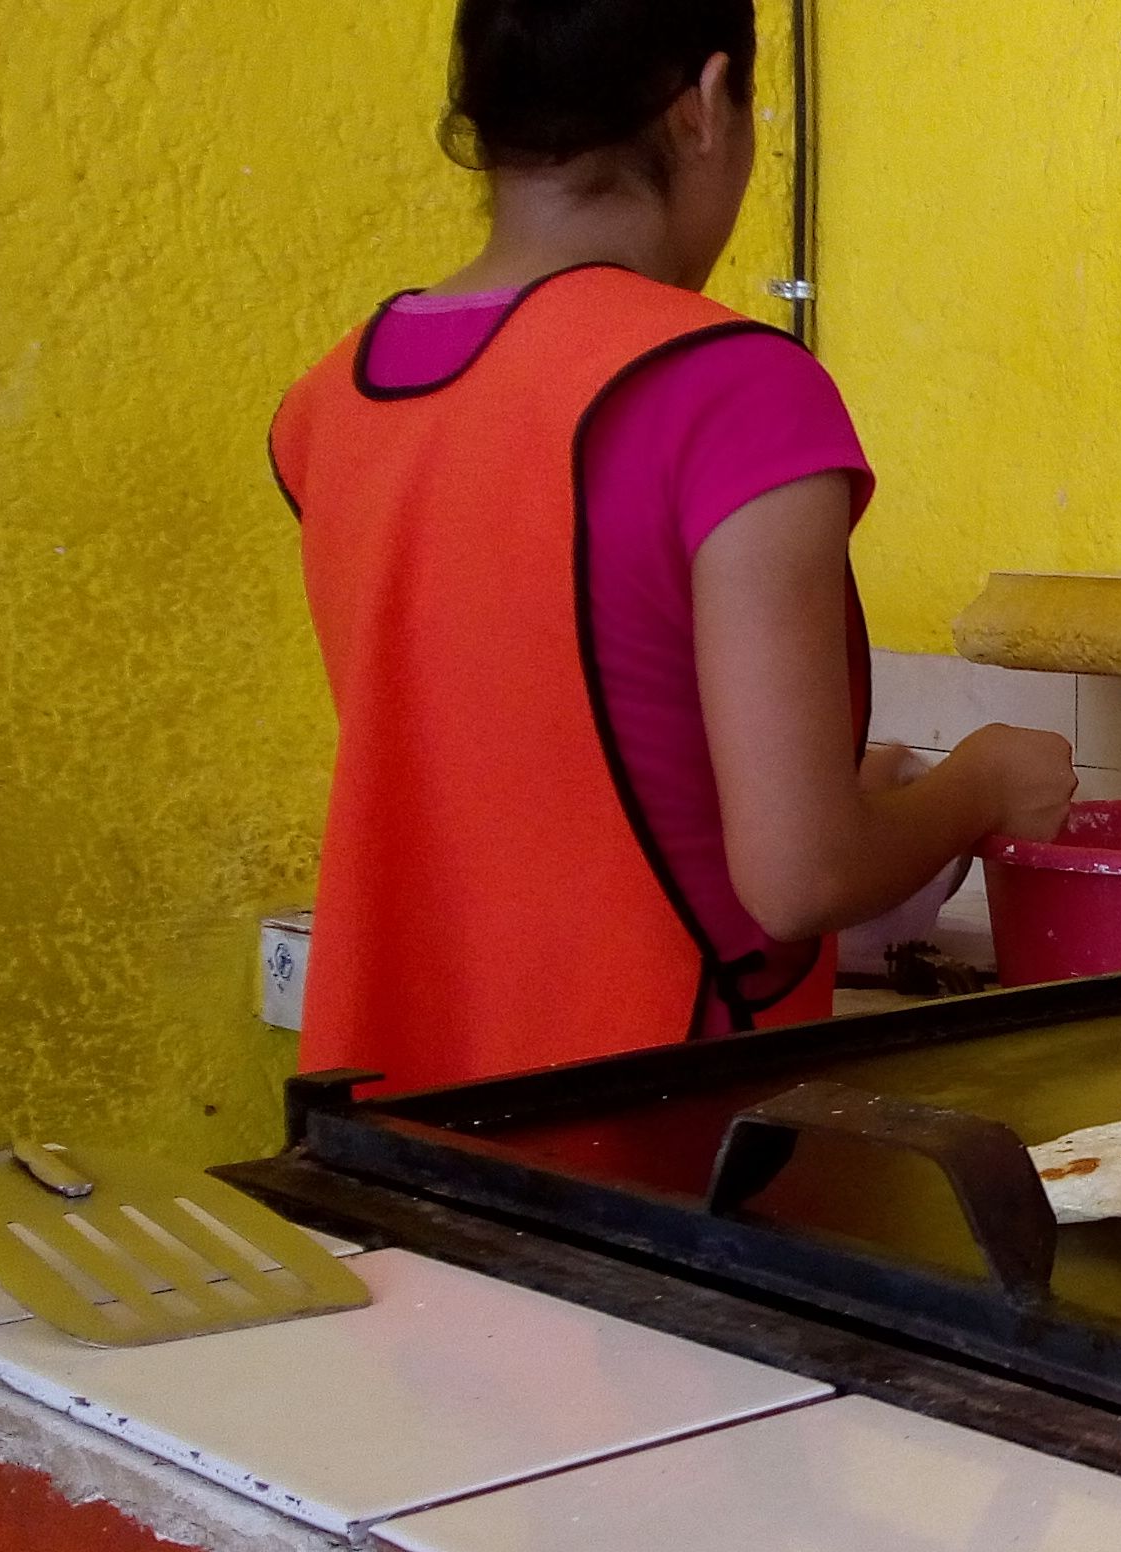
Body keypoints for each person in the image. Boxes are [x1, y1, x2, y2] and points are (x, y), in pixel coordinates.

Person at [271, 0, 1071, 1091]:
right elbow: (799, 877)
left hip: (389, 1113)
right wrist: (978, 787)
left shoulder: (334, 402)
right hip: (649, 1126)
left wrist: (859, 791)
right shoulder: (730, 390)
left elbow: (533, 764)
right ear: (702, 108)